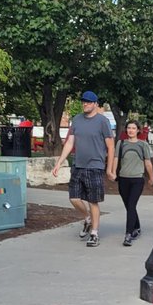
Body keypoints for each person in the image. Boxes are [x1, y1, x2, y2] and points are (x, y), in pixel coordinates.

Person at [51, 90, 114, 248]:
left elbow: (111, 146)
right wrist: (59, 162)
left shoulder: (102, 122)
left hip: (95, 166)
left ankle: (94, 233)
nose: (84, 104)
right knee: (73, 198)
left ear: (95, 104)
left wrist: (110, 168)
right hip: (78, 165)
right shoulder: (77, 120)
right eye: (83, 101)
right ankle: (87, 219)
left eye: (88, 102)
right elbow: (70, 143)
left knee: (93, 201)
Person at [109, 120, 153, 247]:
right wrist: (113, 172)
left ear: (138, 130)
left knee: (131, 204)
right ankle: (137, 227)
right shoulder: (121, 143)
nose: (131, 130)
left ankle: (128, 234)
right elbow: (116, 158)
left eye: (133, 128)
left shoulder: (142, 144)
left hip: (137, 180)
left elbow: (147, 162)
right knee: (129, 207)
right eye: (129, 128)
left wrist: (151, 177)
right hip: (123, 179)